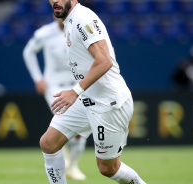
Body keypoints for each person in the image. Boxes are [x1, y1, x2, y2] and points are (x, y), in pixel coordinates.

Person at [40, 0, 146, 184]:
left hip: (109, 103)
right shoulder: (70, 20)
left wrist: (74, 91)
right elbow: (108, 50)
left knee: (108, 168)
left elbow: (105, 61)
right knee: (49, 143)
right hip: (88, 98)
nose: (55, 1)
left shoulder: (82, 18)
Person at [23, 16, 87, 180]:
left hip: (77, 86)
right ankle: (64, 160)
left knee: (81, 130)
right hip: (54, 87)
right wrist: (38, 78)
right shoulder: (45, 33)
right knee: (65, 120)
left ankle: (72, 166)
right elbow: (28, 52)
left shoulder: (80, 31)